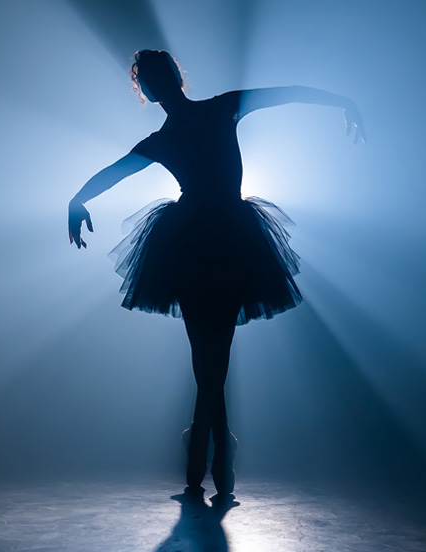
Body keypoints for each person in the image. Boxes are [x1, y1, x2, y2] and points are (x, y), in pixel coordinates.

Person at [68, 50, 365, 496]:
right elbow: (113, 173)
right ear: (155, 87)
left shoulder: (203, 117)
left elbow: (284, 95)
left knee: (211, 356)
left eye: (153, 79)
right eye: (150, 80)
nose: (154, 86)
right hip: (204, 241)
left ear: (156, 86)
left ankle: (207, 448)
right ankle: (215, 449)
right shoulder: (191, 124)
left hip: (211, 240)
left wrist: (342, 100)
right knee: (209, 355)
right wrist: (76, 200)